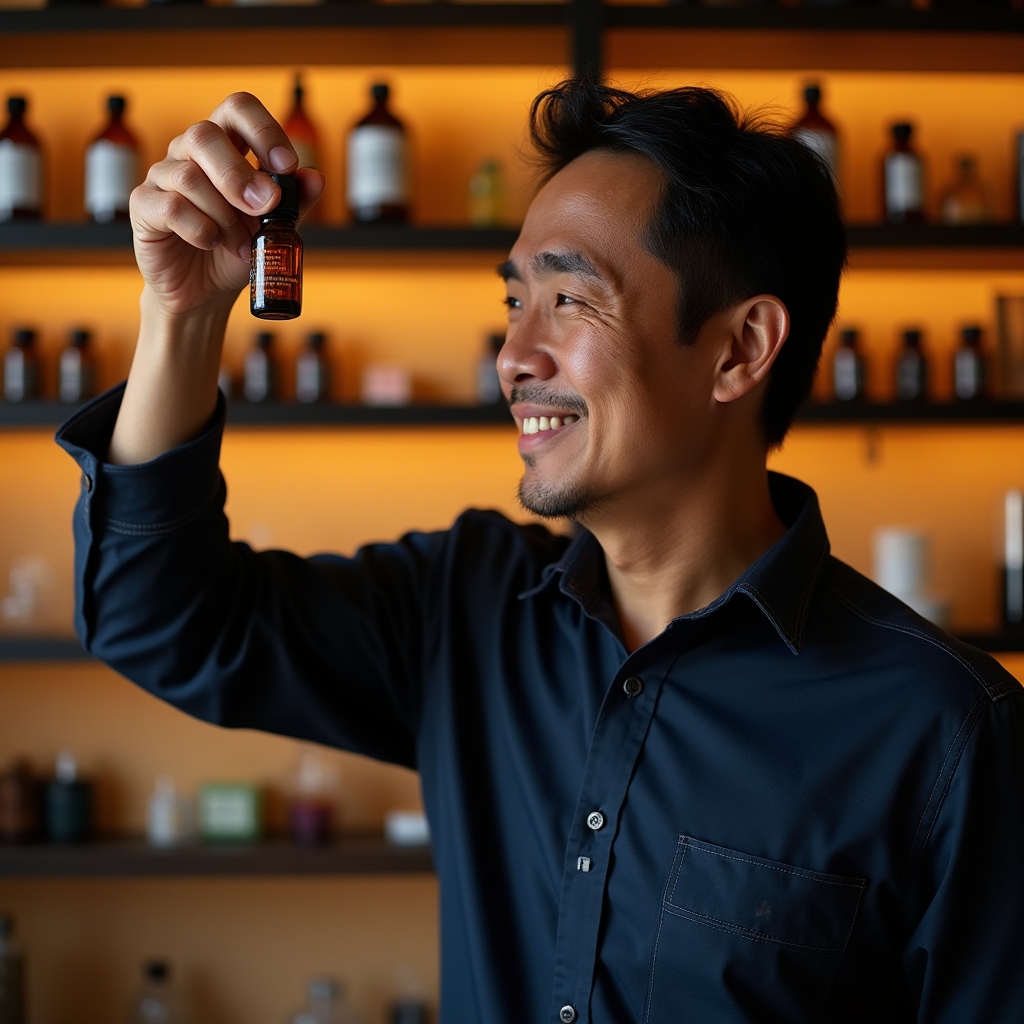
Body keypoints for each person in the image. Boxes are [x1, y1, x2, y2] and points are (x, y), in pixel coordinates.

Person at [56, 80, 1023, 1023]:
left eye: (569, 298)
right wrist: (182, 315)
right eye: (516, 300)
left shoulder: (944, 733)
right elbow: (157, 618)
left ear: (738, 349)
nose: (514, 358)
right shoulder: (465, 608)